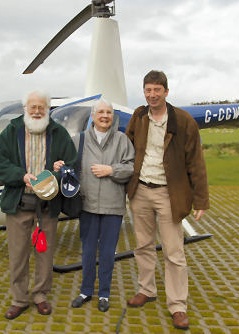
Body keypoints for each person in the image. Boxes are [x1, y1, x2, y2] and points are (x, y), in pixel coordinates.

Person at [125, 71, 209, 330]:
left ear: (166, 92)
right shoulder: (138, 116)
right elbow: (126, 149)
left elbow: (196, 161)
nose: (152, 95)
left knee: (174, 252)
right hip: (140, 191)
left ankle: (177, 305)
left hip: (168, 194)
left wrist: (201, 200)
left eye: (157, 90)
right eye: (148, 90)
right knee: (143, 246)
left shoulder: (182, 120)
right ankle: (147, 289)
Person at [0, 90, 77, 320]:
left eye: (42, 107)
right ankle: (19, 299)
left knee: (45, 254)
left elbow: (71, 163)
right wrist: (21, 175)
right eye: (33, 107)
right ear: (25, 109)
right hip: (19, 202)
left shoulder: (59, 133)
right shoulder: (11, 131)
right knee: (18, 254)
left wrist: (60, 170)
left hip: (47, 206)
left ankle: (40, 295)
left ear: (47, 109)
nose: (37, 111)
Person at [70, 98, 134, 312]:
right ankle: (86, 291)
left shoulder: (122, 140)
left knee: (107, 252)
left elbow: (131, 168)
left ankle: (104, 294)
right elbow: (71, 167)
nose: (105, 116)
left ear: (112, 116)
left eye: (108, 112)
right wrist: (61, 166)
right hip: (87, 205)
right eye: (101, 112)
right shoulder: (80, 140)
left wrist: (111, 170)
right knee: (88, 251)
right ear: (93, 116)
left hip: (112, 205)